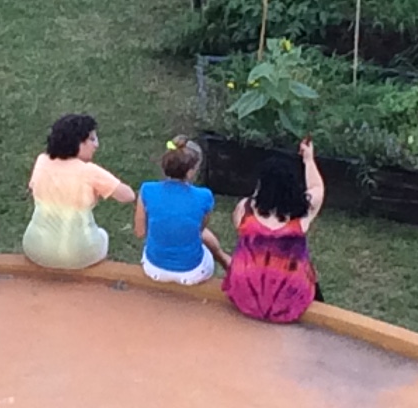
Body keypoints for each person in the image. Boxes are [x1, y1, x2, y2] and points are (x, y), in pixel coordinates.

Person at [225, 138, 327, 324]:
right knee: (311, 274)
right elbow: (317, 188)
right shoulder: (303, 214)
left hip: (244, 292)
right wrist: (308, 159)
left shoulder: (244, 209)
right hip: (288, 295)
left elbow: (238, 226)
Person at [22, 113, 137, 270]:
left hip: (35, 248)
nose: (96, 145)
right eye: (92, 139)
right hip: (78, 255)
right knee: (102, 235)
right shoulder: (90, 171)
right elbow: (128, 196)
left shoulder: (42, 161)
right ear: (77, 143)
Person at [137, 139, 225, 285]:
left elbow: (140, 232)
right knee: (207, 248)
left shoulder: (147, 189)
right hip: (192, 273)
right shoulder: (204, 196)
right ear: (191, 171)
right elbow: (200, 229)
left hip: (153, 269)